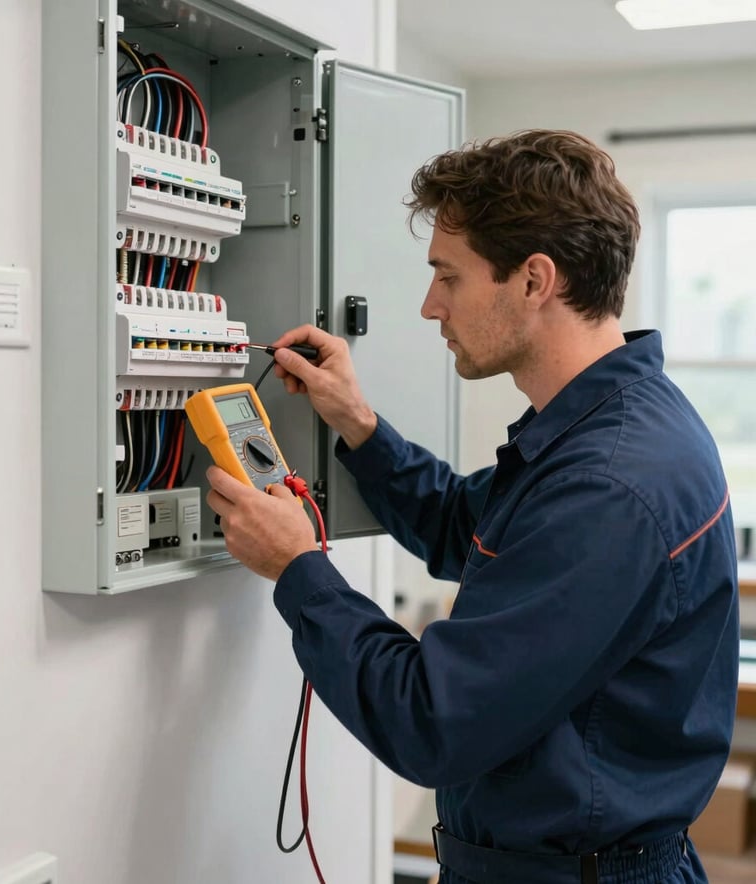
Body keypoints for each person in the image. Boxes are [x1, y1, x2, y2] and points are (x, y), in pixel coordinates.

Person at [206, 130, 739, 884]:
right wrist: (359, 426)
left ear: (533, 280)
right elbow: (467, 529)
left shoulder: (610, 484)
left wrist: (299, 570)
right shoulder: (608, 426)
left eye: (448, 277)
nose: (430, 307)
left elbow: (432, 721)